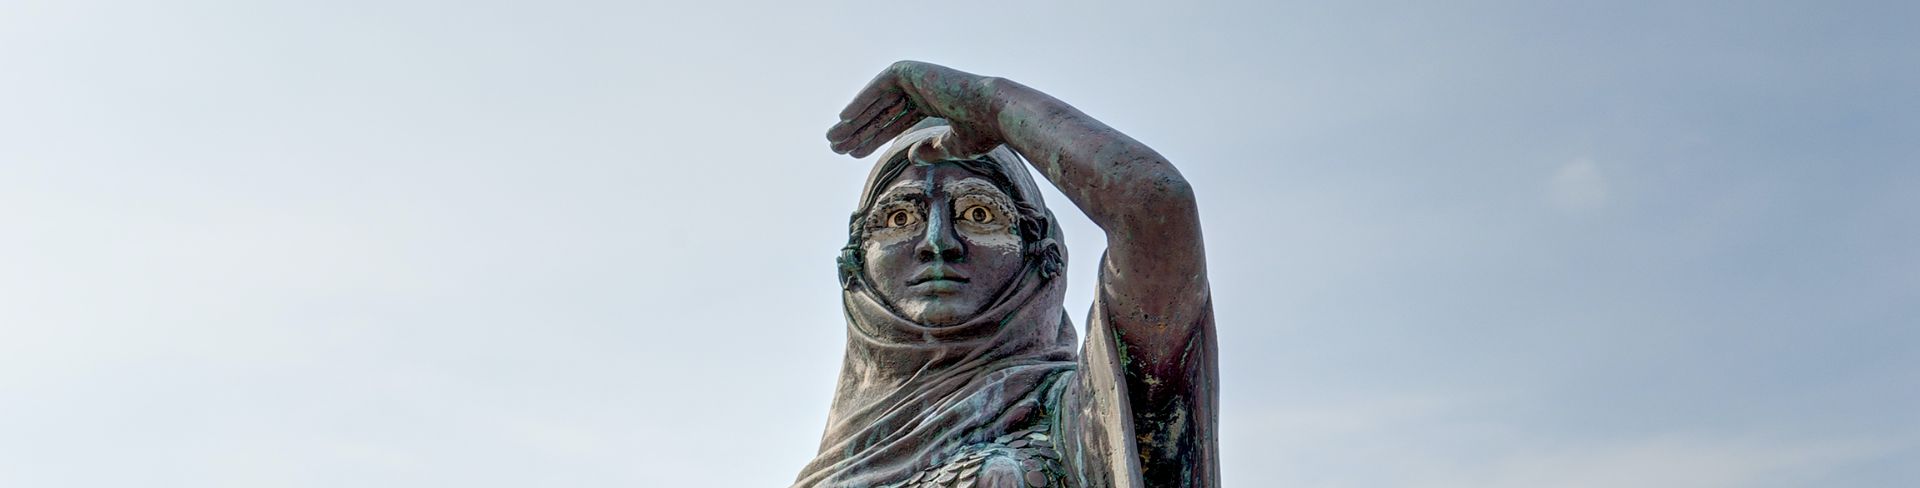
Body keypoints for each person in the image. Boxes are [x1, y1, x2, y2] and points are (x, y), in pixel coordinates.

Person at [794, 61, 1217, 488]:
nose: (938, 241)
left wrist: (994, 106)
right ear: (855, 266)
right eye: (900, 218)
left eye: (978, 213)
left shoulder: (1082, 416)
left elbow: (1156, 207)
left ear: (1040, 256)